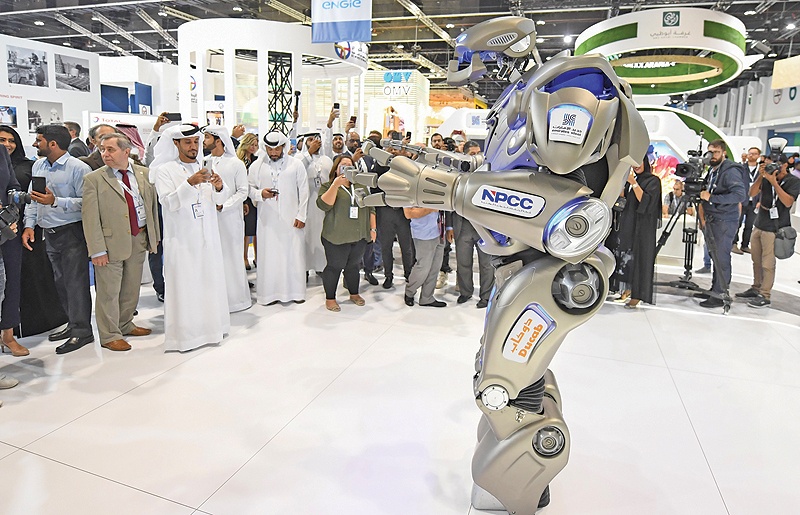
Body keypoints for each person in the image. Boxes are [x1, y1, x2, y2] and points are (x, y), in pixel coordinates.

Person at [150, 124, 231, 352]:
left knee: (208, 282)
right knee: (186, 285)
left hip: (208, 236)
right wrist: (190, 183)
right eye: (188, 142)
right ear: (176, 144)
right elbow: (169, 202)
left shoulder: (204, 166)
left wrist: (218, 186)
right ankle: (186, 337)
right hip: (183, 240)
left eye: (196, 142)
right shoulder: (165, 170)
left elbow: (218, 200)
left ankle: (212, 328)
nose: (193, 146)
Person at [82, 133, 160, 351]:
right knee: (109, 291)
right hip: (109, 242)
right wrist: (97, 250)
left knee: (131, 287)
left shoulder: (144, 173)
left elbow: (151, 208)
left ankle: (125, 324)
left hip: (139, 237)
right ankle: (109, 335)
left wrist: (153, 238)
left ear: (126, 151)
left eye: (110, 149)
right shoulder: (95, 179)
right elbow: (90, 217)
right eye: (102, 149)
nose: (105, 154)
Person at [21, 125, 94, 354]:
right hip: (48, 234)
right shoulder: (38, 165)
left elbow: (87, 204)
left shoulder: (78, 168)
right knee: (61, 283)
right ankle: (73, 324)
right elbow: (33, 199)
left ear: (53, 144)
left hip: (71, 232)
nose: (35, 144)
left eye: (39, 140)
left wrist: (56, 201)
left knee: (75, 284)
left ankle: (83, 331)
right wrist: (29, 225)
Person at [0, 125, 67, 339]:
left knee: (23, 280)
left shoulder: (30, 165)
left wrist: (26, 223)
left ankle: (17, 330)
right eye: (2, 140)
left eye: (11, 140)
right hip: (11, 228)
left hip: (20, 230)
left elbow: (29, 196)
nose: (7, 144)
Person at [248, 131, 309, 305]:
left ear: (283, 147)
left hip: (291, 219)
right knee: (269, 255)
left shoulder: (296, 165)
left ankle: (295, 293)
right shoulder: (257, 166)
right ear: (265, 147)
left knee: (293, 254)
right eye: (270, 149)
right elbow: (249, 188)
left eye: (277, 149)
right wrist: (261, 193)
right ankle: (269, 294)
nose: (273, 153)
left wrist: (301, 215)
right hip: (267, 220)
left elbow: (304, 191)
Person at [735, 154, 800, 308]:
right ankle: (756, 287)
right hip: (760, 223)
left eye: (777, 164)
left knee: (768, 263)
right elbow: (751, 193)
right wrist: (761, 176)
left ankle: (765, 294)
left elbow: (788, 201)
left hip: (776, 228)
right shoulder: (766, 177)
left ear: (785, 165)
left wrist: (774, 183)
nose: (773, 167)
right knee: (756, 260)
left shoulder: (793, 181)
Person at [316, 156, 376, 311]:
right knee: (334, 267)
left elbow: (371, 208)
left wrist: (373, 229)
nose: (347, 169)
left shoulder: (360, 186)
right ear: (336, 169)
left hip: (359, 235)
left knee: (353, 266)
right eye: (343, 166)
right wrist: (336, 185)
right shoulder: (328, 186)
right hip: (336, 236)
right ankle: (330, 298)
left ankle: (354, 293)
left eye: (350, 166)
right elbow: (324, 205)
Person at [202, 126, 251, 313]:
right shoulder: (205, 162)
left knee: (231, 257)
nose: (204, 141)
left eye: (207, 137)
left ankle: (236, 300)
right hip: (209, 218)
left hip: (230, 219)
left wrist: (224, 205)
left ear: (219, 140)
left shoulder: (235, 163)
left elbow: (243, 192)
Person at [696, 140, 747, 308]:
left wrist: (712, 198)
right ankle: (715, 289)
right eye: (710, 152)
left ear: (724, 153)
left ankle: (720, 295)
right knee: (715, 255)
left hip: (724, 220)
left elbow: (740, 195)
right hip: (714, 218)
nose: (712, 155)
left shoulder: (731, 171)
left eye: (716, 152)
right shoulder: (713, 169)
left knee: (721, 257)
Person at [611, 160, 662, 308]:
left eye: (639, 162)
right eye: (633, 163)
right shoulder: (630, 180)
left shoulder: (653, 181)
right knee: (627, 258)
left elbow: (646, 203)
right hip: (629, 226)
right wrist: (623, 186)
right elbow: (622, 203)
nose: (636, 166)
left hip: (643, 228)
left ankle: (638, 295)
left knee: (641, 259)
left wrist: (633, 183)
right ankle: (627, 289)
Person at [298, 133, 333, 274]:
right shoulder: (299, 158)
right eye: (310, 140)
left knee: (322, 235)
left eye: (316, 139)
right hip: (305, 204)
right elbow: (296, 171)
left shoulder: (326, 160)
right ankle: (304, 269)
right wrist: (309, 153)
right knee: (305, 236)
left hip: (323, 204)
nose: (314, 142)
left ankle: (322, 268)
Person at [403, 206, 447, 308]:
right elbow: (408, 214)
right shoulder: (410, 192)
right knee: (423, 267)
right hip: (423, 234)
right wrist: (431, 209)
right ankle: (409, 292)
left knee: (435, 268)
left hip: (439, 230)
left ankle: (427, 298)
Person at [236, 133, 259, 271]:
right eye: (252, 144)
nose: (254, 147)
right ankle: (244, 257)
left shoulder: (257, 161)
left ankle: (257, 256)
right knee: (246, 231)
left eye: (256, 145)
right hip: (244, 199)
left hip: (255, 197)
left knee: (256, 229)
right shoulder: (239, 161)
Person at [732, 147, 761, 254]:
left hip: (754, 201)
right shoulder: (741, 168)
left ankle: (745, 245)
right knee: (737, 223)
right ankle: (734, 243)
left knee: (749, 225)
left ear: (758, 156)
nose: (751, 155)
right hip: (741, 200)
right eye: (750, 153)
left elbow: (763, 186)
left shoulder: (761, 170)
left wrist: (760, 201)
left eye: (754, 154)